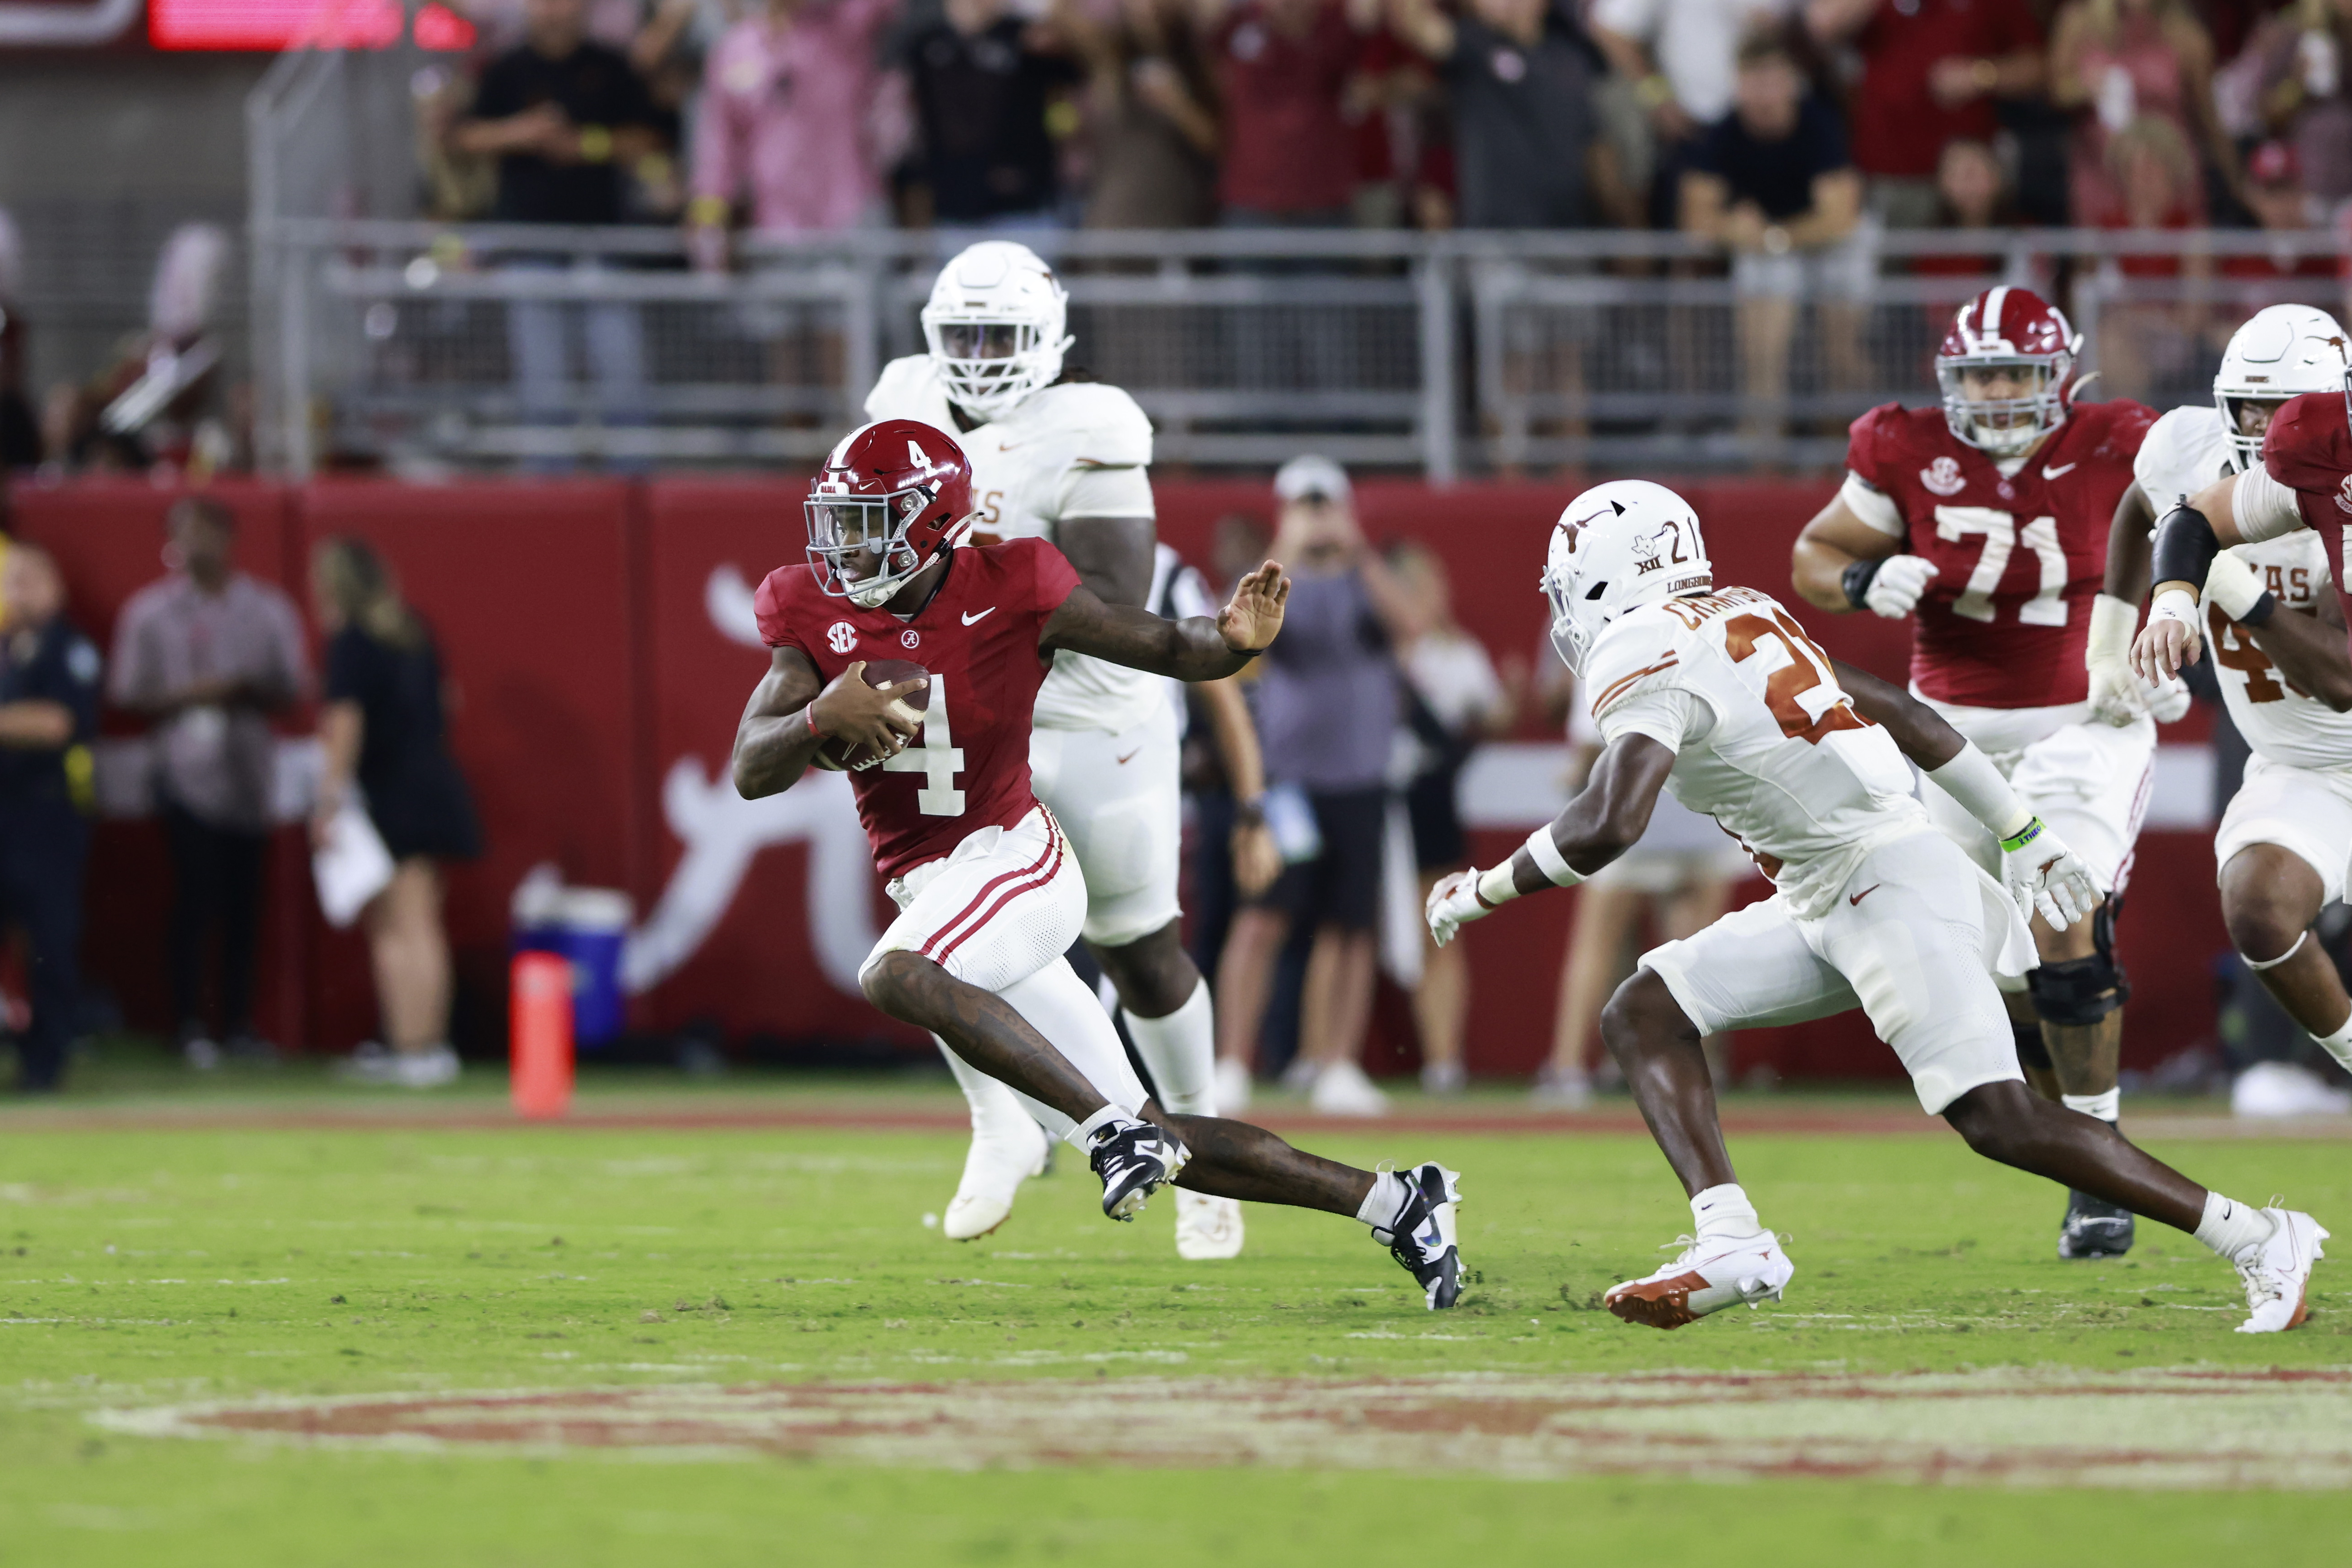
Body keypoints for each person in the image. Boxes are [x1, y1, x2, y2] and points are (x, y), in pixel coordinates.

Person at [1430, 479, 2328, 1334]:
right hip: (1842, 885)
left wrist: (1481, 890)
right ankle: (1732, 1239)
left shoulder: (1640, 643)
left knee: (1997, 1118)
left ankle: (2257, 1237)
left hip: (1880, 884)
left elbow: (1606, 824)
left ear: (1602, 576)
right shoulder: (1739, 609)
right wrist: (2021, 834)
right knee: (1646, 1010)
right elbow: (1908, 714)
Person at [734, 418, 1466, 1308]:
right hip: (939, 892)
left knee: (893, 973)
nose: (845, 546)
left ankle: (1106, 1134)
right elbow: (750, 767)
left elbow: (1156, 644)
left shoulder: (1012, 583)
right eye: (839, 522)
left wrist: (1231, 643)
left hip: (1016, 860)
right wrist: (817, 722)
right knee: (1161, 1133)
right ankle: (1399, 1204)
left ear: (931, 521)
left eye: (869, 520)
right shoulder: (807, 611)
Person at [861, 241, 1248, 1260]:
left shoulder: (1094, 425)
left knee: (1138, 947)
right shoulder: (899, 398)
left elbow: (1112, 603)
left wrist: (966, 605)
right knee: (934, 919)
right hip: (979, 718)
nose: (979, 357)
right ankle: (999, 1125)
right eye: (964, 336)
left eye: (1000, 335)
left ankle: (1203, 1142)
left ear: (1049, 340)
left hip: (1089, 718)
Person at [1789, 287, 2168, 1260]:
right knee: (1987, 968)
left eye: (2015, 372)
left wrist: (2170, 633)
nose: (1998, 392)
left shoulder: (2121, 437)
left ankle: (2102, 1160)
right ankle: (2086, 1152)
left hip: (2082, 723)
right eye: (1981, 374)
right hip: (1944, 737)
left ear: (2060, 378)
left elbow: (2196, 534)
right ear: (1949, 381)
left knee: (2060, 913)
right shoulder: (1902, 446)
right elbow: (1813, 556)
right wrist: (1867, 581)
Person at [2101, 307, 2352, 1114]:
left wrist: (2237, 593)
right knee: (2257, 902)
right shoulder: (2196, 450)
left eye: (2284, 412)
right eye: (2249, 408)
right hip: (2303, 765)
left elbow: (2345, 681)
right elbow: (2167, 511)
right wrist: (2142, 622)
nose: (2263, 431)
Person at [1212, 455, 1416, 1117]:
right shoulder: (1278, 577)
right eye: (1305, 505)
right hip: (1289, 783)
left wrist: (1356, 551)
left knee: (1350, 926)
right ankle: (1231, 1065)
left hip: (1359, 776)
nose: (1318, 517)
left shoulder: (1365, 576)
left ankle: (1335, 1063)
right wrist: (1288, 548)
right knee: (1263, 918)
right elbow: (1239, 637)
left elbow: (1411, 627)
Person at [108, 497, 309, 1069]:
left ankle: (239, 1023)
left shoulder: (267, 608)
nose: (191, 546)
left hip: (249, 772)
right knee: (194, 901)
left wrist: (244, 688)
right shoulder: (149, 611)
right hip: (182, 771)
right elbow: (127, 694)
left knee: (246, 905)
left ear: (228, 537)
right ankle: (190, 1024)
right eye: (180, 535)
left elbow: (292, 689)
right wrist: (195, 694)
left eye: (201, 533)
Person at [451, 0, 667, 467]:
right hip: (530, 246)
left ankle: (634, 484)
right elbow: (464, 136)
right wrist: (522, 134)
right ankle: (548, 491)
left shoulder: (610, 65)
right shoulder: (507, 68)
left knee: (621, 374)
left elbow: (650, 136)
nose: (554, 10)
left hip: (602, 246)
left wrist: (585, 145)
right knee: (542, 382)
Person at [310, 538, 484, 1091]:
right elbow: (449, 702)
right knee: (412, 924)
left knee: (402, 927)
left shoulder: (352, 642)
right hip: (430, 783)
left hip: (393, 794)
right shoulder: (412, 633)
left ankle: (418, 1048)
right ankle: (419, 1046)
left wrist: (329, 798)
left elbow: (345, 724)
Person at [1533, 667, 1748, 1107]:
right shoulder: (1704, 628)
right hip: (1701, 806)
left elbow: (1590, 740)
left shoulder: (1611, 641)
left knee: (1597, 944)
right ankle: (1699, 1076)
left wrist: (1577, 779)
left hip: (1632, 810)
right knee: (1695, 953)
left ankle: (1567, 1069)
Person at [1679, 32, 1865, 460]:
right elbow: (1696, 217)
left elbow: (1839, 217)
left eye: (1772, 79)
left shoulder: (1818, 124)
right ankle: (1765, 454)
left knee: (1842, 349)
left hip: (1824, 246)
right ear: (1737, 83)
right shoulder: (1723, 132)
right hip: (1768, 249)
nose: (1763, 92)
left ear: (1791, 83)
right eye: (1753, 80)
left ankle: (1843, 457)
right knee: (1763, 342)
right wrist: (1734, 227)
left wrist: (1774, 236)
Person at [1388, 542, 1514, 1094]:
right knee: (1344, 928)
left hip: (1426, 800)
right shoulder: (1378, 652)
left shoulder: (1456, 654)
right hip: (1367, 797)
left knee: (1434, 923)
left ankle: (1442, 1057)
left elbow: (1490, 715)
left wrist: (1510, 702)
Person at [1803, 0, 2045, 230]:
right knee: (1893, 268)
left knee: (1969, 267)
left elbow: (2037, 67)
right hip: (1889, 174)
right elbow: (1821, 26)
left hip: (1969, 182)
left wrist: (1980, 75)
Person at [0, 545, 99, 1092]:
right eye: (13, 579)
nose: (20, 590)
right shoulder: (8, 649)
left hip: (47, 816)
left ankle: (47, 1062)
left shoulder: (69, 648)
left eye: (33, 579)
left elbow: (56, 724)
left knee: (49, 941)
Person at [687, 0, 902, 248]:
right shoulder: (736, 49)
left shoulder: (847, 29)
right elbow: (718, 149)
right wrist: (708, 215)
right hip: (774, 228)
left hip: (851, 218)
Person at [1589, 0, 1795, 229]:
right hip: (1692, 127)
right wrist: (1658, 97)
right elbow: (1611, 27)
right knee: (1689, 231)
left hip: (1763, 126)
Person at [2047, 0, 2235, 230]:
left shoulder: (2188, 36)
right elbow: (2056, 92)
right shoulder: (2080, 22)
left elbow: (2208, 119)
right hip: (2101, 172)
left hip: (2170, 174)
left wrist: (2240, 182)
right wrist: (2084, 88)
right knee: (2100, 257)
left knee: (2176, 252)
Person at [899, 0, 1083, 231]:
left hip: (1022, 208)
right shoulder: (926, 42)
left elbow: (1078, 76)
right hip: (951, 208)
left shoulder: (1029, 37)